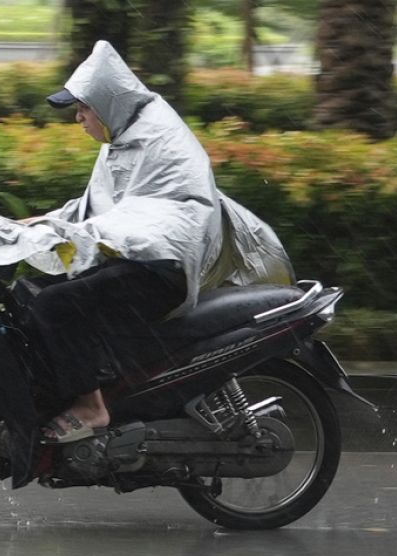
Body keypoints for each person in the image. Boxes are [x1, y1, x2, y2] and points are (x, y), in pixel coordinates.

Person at [28, 40, 293, 444]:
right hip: (137, 260)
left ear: (105, 103)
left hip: (160, 271)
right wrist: (29, 227)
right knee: (31, 294)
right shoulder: (123, 136)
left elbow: (154, 217)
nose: (78, 117)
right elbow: (93, 209)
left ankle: (92, 408)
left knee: (56, 304)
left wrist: (80, 233)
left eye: (82, 108)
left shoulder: (159, 139)